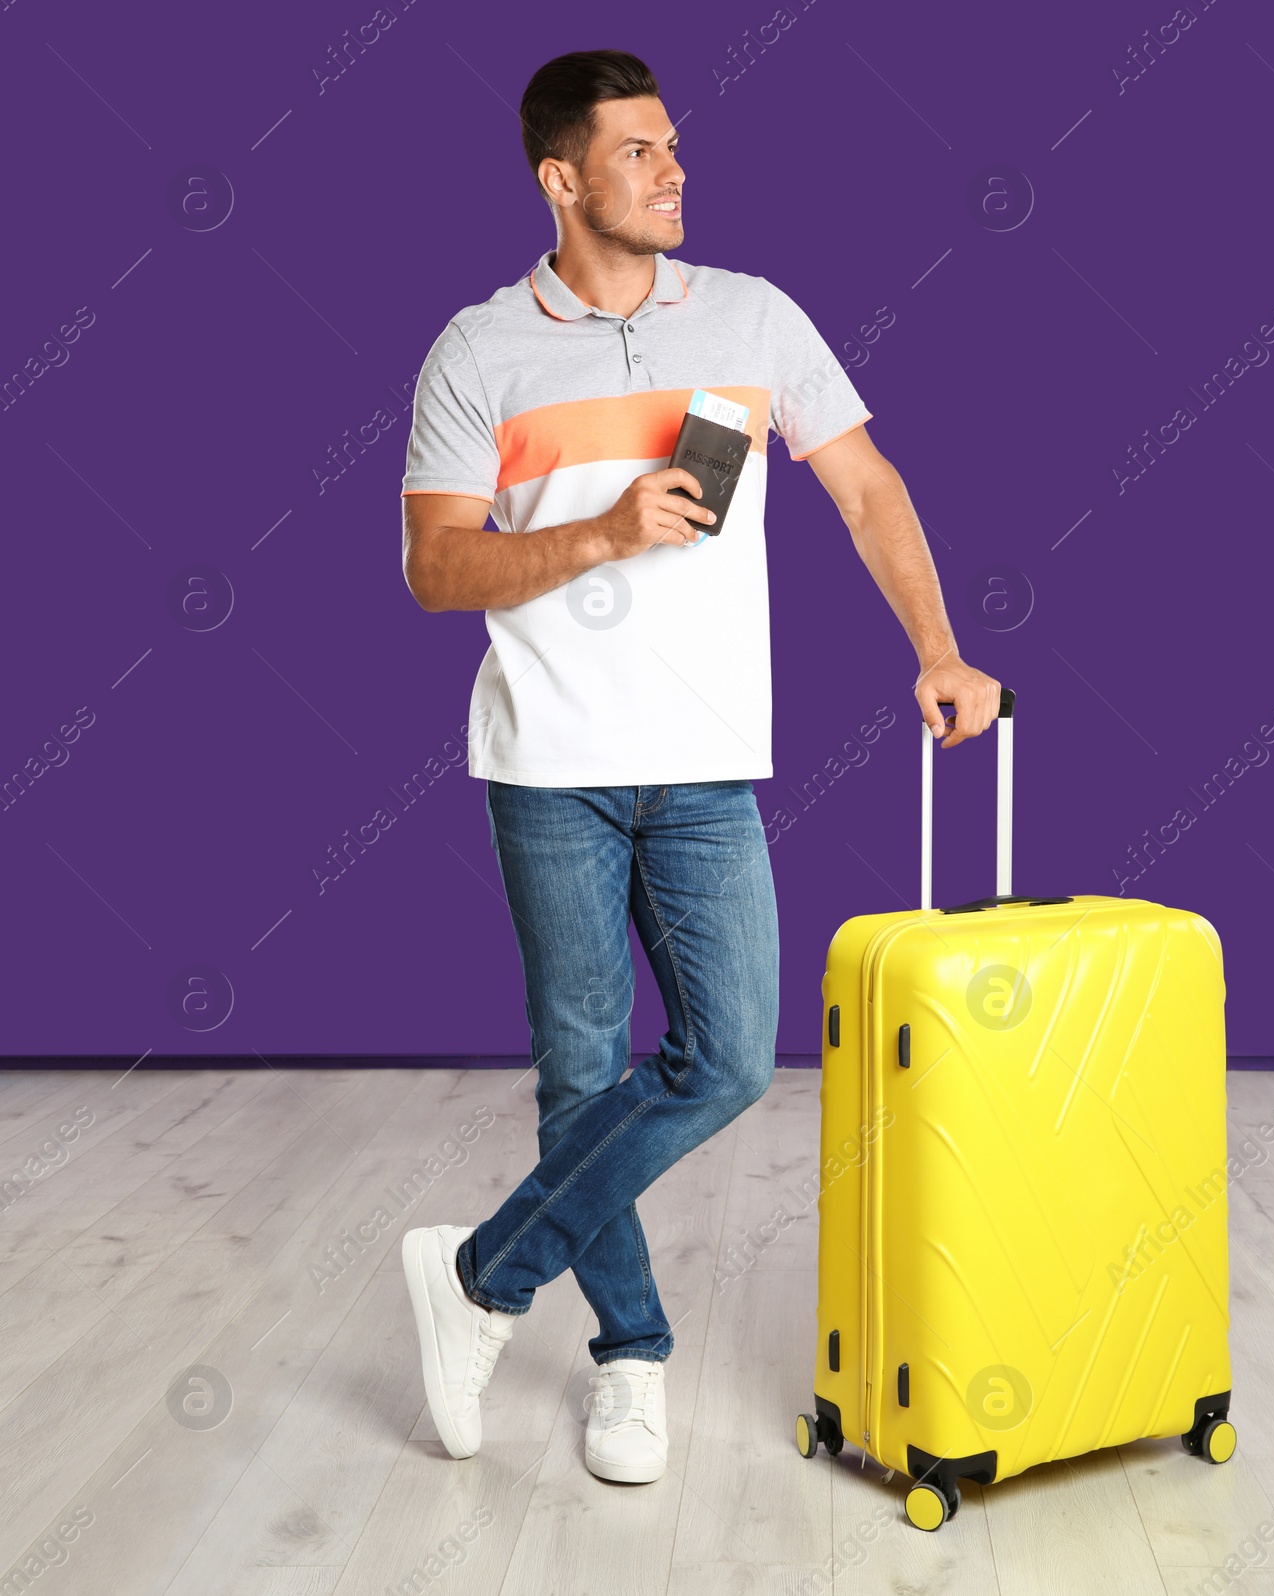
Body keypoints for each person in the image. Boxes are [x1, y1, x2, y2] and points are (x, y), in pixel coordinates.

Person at [397, 48, 999, 1484]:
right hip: (547, 764)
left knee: (727, 1058)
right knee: (581, 1071)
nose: (675, 172)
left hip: (706, 764)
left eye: (675, 148)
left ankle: (480, 1274)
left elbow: (866, 486)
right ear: (562, 179)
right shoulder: (479, 351)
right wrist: (605, 530)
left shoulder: (752, 317)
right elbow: (435, 569)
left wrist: (937, 646)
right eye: (641, 153)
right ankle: (631, 1359)